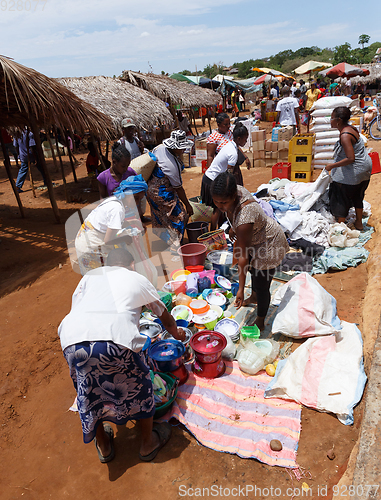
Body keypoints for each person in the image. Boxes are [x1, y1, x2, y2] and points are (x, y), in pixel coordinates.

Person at [58, 247, 185, 464]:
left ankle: (105, 446)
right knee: (142, 382)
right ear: (131, 265)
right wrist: (177, 333)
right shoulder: (135, 278)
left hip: (72, 341)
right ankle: (147, 444)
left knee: (89, 393)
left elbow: (77, 309)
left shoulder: (90, 276)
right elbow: (162, 314)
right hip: (114, 342)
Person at [211, 172, 289, 330]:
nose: (220, 206)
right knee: (254, 273)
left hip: (269, 244)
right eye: (217, 202)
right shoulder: (235, 190)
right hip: (256, 237)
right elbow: (233, 216)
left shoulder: (245, 216)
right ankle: (253, 297)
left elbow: (243, 256)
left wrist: (240, 289)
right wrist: (234, 228)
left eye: (224, 202)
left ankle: (260, 320)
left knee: (262, 283)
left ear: (234, 196)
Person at [75, 178, 146, 275]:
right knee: (100, 277)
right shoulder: (117, 209)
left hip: (85, 239)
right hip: (90, 246)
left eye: (140, 199)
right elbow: (108, 240)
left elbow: (111, 224)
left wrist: (134, 222)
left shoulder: (114, 200)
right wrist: (126, 238)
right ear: (126, 194)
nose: (137, 202)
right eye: (135, 198)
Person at [146, 130, 194, 251]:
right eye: (182, 148)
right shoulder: (171, 165)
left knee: (162, 216)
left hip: (151, 190)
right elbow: (179, 188)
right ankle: (175, 246)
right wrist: (188, 205)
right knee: (181, 216)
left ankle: (166, 240)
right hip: (161, 194)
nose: (183, 150)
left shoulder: (160, 148)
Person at [326, 106, 372, 231]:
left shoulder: (345, 135)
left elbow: (350, 158)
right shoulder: (351, 128)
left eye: (331, 118)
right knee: (358, 195)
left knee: (339, 194)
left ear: (339, 120)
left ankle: (340, 227)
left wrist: (332, 166)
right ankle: (359, 223)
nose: (330, 121)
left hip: (355, 171)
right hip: (365, 169)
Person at [201, 123, 249, 230]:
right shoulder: (233, 153)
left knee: (219, 208)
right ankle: (213, 231)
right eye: (245, 139)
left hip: (209, 177)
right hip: (212, 180)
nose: (246, 141)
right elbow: (229, 175)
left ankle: (217, 229)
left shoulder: (230, 144)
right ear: (239, 138)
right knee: (217, 209)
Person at [13, 128, 48, 192]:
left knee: (23, 169)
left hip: (23, 155)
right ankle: (47, 181)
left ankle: (17, 186)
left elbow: (16, 146)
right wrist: (36, 158)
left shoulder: (16, 135)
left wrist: (19, 155)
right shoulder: (29, 134)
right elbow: (32, 147)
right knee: (41, 167)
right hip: (31, 155)